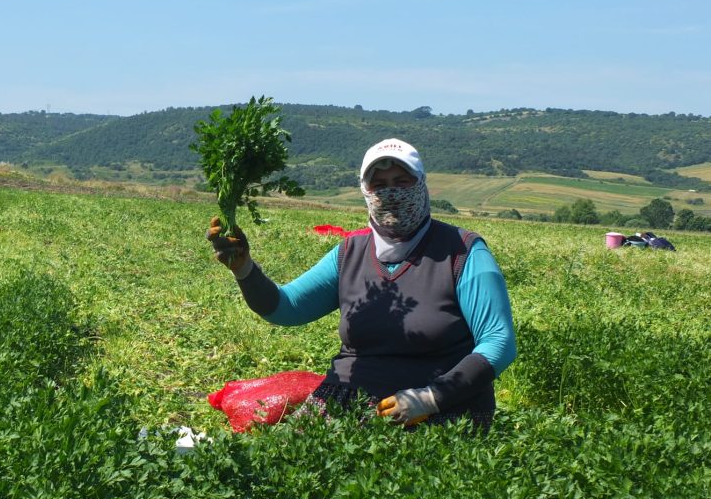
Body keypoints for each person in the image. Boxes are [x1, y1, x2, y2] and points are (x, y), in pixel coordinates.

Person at [207, 138, 516, 428]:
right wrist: (245, 269)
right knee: (290, 465)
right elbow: (285, 308)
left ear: (421, 184)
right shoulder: (350, 253)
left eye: (402, 182)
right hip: (348, 396)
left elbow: (498, 342)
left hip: (443, 405)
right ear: (366, 192)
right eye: (379, 185)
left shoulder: (462, 252)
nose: (391, 193)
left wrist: (432, 397)